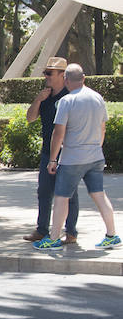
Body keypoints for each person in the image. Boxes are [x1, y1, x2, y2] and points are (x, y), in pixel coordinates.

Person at [34, 63, 119, 250]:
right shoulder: (97, 98)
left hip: (73, 158)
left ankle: (54, 238)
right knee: (99, 195)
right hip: (95, 156)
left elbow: (59, 132)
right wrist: (97, 146)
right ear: (84, 78)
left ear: (66, 80)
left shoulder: (67, 101)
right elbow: (102, 127)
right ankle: (112, 234)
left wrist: (53, 159)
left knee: (61, 198)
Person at [23, 57, 78, 244]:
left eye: (49, 73)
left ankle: (71, 232)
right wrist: (38, 99)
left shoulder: (69, 97)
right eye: (45, 72)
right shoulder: (45, 97)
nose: (45, 76)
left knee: (69, 193)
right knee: (44, 191)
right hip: (47, 152)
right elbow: (30, 118)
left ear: (63, 75)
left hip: (68, 152)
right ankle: (41, 229)